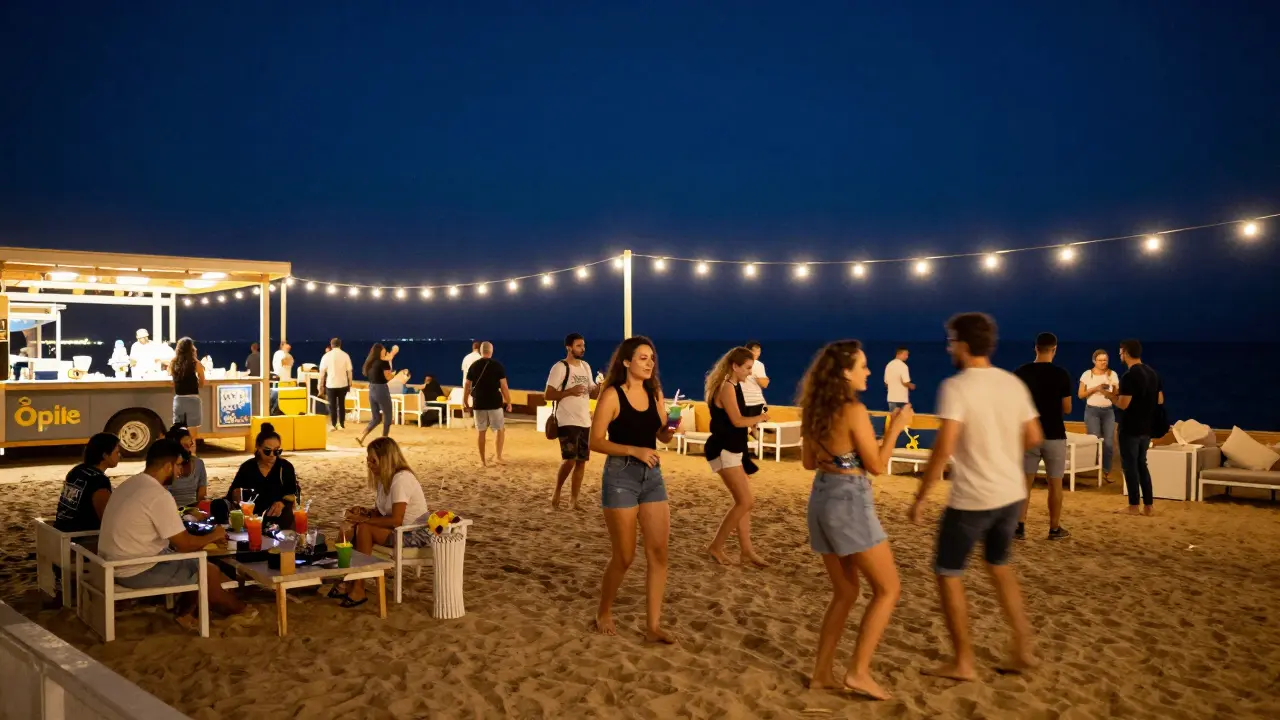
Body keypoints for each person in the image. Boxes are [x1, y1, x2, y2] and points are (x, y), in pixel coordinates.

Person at [910, 313, 1040, 681]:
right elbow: (1033, 436)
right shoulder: (1011, 383)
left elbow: (943, 448)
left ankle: (963, 661)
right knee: (999, 567)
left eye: (951, 341)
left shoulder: (958, 386)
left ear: (964, 345)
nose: (949, 347)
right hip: (1011, 494)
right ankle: (1022, 648)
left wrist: (921, 497)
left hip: (972, 499)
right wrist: (999, 451)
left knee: (948, 573)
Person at [799, 340, 911, 700]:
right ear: (845, 372)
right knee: (888, 589)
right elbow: (877, 465)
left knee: (846, 592)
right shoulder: (854, 410)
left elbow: (807, 461)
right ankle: (859, 671)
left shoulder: (813, 409)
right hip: (849, 502)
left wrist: (841, 459)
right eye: (863, 366)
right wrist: (896, 427)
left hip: (821, 498)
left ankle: (821, 674)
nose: (869, 372)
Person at [98, 440, 249, 627]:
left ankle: (184, 613)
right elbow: (184, 545)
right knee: (207, 571)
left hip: (113, 562)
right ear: (168, 466)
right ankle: (242, 609)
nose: (179, 472)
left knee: (201, 564)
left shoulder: (132, 483)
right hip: (134, 569)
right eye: (178, 466)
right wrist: (215, 534)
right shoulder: (158, 494)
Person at [589, 336, 677, 643]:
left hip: (652, 477)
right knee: (624, 556)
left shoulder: (655, 393)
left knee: (659, 553)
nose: (650, 362)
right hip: (620, 477)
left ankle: (653, 626)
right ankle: (604, 611)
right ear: (626, 362)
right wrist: (633, 450)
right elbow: (595, 441)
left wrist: (672, 428)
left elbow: (660, 435)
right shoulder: (612, 395)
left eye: (652, 357)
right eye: (642, 357)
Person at [334, 437, 432, 607]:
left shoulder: (401, 479)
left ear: (386, 459)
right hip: (398, 529)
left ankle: (358, 586)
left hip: (413, 532)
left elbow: (396, 520)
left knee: (364, 528)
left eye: (373, 460)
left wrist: (364, 519)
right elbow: (381, 512)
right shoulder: (384, 478)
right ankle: (347, 579)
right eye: (368, 460)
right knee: (348, 528)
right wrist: (363, 511)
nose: (369, 464)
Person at [703, 347, 772, 567]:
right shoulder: (727, 388)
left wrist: (751, 427)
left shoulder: (733, 386)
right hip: (723, 449)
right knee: (745, 501)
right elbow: (736, 421)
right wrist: (760, 417)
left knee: (744, 502)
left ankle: (746, 551)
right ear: (735, 366)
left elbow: (736, 422)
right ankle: (716, 546)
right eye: (747, 368)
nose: (750, 373)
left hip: (733, 449)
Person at [1014, 333, 1073, 541]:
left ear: (1035, 348)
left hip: (1028, 435)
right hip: (1055, 434)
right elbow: (1067, 408)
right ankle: (1054, 528)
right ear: (1054, 349)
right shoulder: (1062, 374)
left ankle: (1019, 526)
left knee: (1024, 482)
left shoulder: (1021, 373)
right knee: (1055, 483)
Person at [545, 333, 597, 510]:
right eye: (579, 346)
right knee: (570, 459)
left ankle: (574, 500)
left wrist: (600, 386)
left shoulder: (586, 367)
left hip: (585, 420)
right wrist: (570, 391)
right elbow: (548, 394)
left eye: (583, 345)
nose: (583, 349)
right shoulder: (560, 367)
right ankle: (557, 491)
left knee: (581, 461)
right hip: (566, 419)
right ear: (569, 347)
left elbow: (593, 393)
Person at [1116, 339, 1164, 516]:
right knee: (1142, 464)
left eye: (1120, 352)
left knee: (1130, 466)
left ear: (1126, 353)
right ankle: (1149, 506)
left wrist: (1111, 396)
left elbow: (1123, 404)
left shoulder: (1129, 376)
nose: (1119, 355)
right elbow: (1160, 400)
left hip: (1130, 427)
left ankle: (1133, 505)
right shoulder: (1153, 374)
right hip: (1147, 427)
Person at [229, 423, 300, 529]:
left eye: (277, 451)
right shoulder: (247, 467)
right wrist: (237, 495)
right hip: (253, 520)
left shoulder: (285, 467)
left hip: (279, 519)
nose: (272, 455)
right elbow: (232, 494)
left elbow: (294, 494)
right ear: (258, 447)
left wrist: (282, 502)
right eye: (267, 451)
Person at [54, 433, 121, 532]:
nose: (120, 456)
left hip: (62, 528)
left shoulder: (77, 470)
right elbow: (106, 518)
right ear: (105, 456)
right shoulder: (99, 480)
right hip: (81, 536)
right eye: (117, 452)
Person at [464, 342, 512, 467]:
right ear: (491, 351)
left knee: (481, 431)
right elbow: (504, 386)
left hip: (479, 402)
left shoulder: (474, 366)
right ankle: (498, 457)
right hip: (494, 403)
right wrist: (509, 401)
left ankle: (482, 461)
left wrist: (465, 400)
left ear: (480, 351)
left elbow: (467, 385)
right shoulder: (497, 366)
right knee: (499, 430)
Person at [1080, 349, 1120, 484]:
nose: (1103, 362)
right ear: (1094, 361)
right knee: (1095, 441)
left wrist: (1111, 389)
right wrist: (1096, 388)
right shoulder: (1087, 375)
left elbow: (1116, 395)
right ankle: (1094, 471)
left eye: (1105, 360)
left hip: (1108, 411)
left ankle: (1106, 472)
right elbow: (1081, 395)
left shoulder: (1112, 374)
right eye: (1100, 360)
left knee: (1108, 443)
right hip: (1092, 411)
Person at [356, 343, 399, 446]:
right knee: (388, 416)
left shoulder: (370, 363)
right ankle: (384, 440)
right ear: (380, 351)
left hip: (372, 389)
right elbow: (388, 378)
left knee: (376, 418)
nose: (385, 350)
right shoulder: (383, 363)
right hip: (381, 389)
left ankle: (361, 437)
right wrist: (394, 375)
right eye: (384, 349)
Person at [169, 337, 205, 443]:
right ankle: (191, 455)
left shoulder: (173, 362)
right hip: (193, 400)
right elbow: (202, 383)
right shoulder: (196, 363)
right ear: (191, 349)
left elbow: (173, 379)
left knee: (179, 430)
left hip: (178, 400)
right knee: (192, 434)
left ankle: (179, 454)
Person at [165, 425, 207, 509]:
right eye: (184, 446)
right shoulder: (166, 466)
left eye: (189, 445)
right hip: (172, 510)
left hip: (193, 511)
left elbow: (201, 496)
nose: (188, 450)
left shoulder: (198, 463)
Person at [319, 337, 354, 431]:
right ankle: (342, 424)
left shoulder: (326, 356)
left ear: (331, 345)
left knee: (332, 405)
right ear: (340, 344)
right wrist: (350, 382)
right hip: (343, 384)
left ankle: (334, 424)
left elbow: (322, 373)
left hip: (330, 384)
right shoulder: (345, 355)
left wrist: (320, 386)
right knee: (342, 405)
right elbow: (349, 371)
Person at [883, 347, 915, 411]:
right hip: (901, 399)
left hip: (891, 399)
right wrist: (911, 386)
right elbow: (905, 382)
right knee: (902, 419)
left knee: (894, 419)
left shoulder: (889, 365)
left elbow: (886, 383)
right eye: (905, 354)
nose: (907, 356)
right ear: (899, 354)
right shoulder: (903, 366)